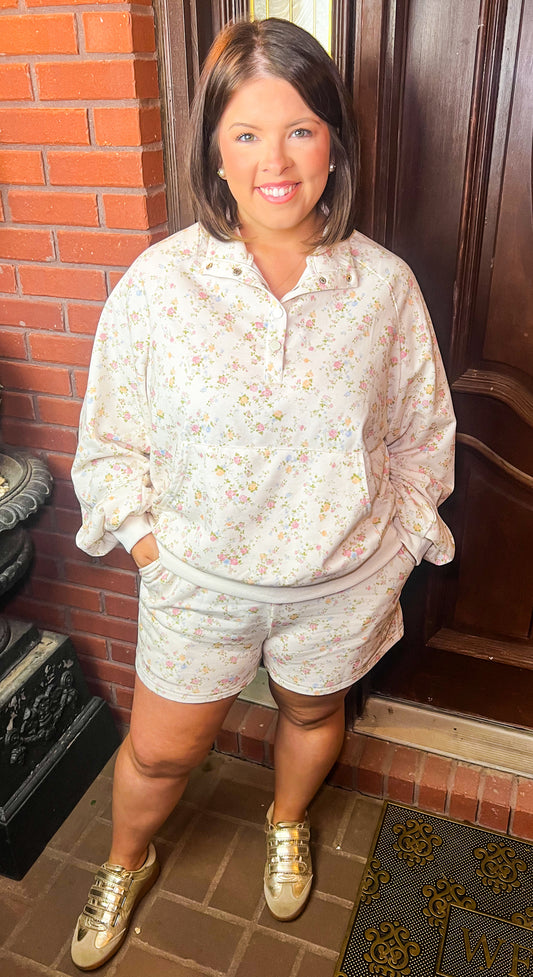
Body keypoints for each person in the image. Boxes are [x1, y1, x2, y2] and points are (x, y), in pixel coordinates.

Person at [70, 16, 455, 971]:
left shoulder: (383, 287)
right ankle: (125, 859)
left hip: (337, 588)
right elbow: (110, 439)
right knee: (159, 753)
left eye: (298, 130)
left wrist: (393, 551)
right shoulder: (161, 284)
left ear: (333, 143)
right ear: (214, 149)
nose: (273, 161)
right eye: (245, 133)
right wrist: (152, 550)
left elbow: (421, 434)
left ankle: (287, 818)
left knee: (314, 715)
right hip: (198, 586)